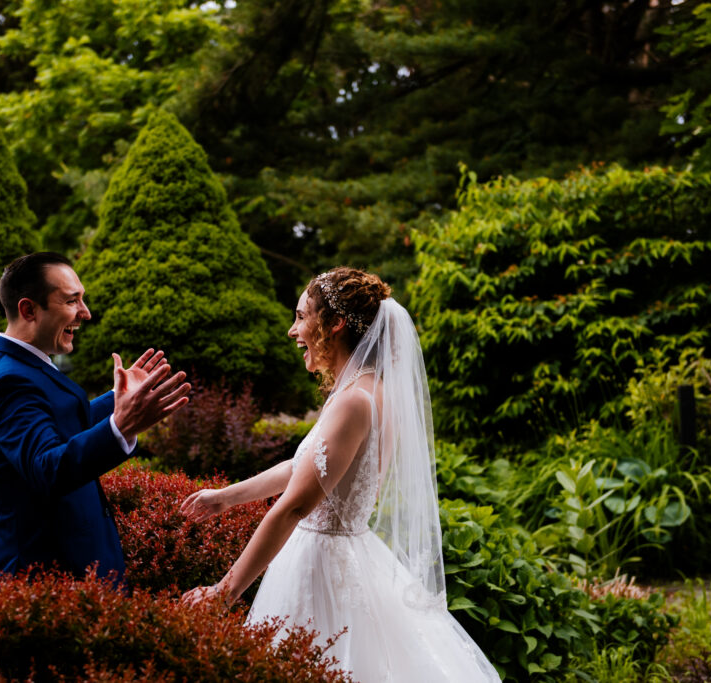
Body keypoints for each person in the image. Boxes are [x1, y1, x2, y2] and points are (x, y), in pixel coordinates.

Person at [181, 267, 501, 682]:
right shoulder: (369, 391)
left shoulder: (354, 402)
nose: (293, 330)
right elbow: (303, 468)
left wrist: (223, 592)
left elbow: (296, 504)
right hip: (350, 555)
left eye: (301, 316)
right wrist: (224, 497)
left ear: (333, 324)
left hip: (322, 569)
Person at [0, 252, 190, 583]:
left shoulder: (22, 366)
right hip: (48, 584)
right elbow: (47, 467)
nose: (85, 313)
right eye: (72, 301)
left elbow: (60, 422)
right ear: (29, 310)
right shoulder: (8, 381)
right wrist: (120, 427)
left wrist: (119, 399)